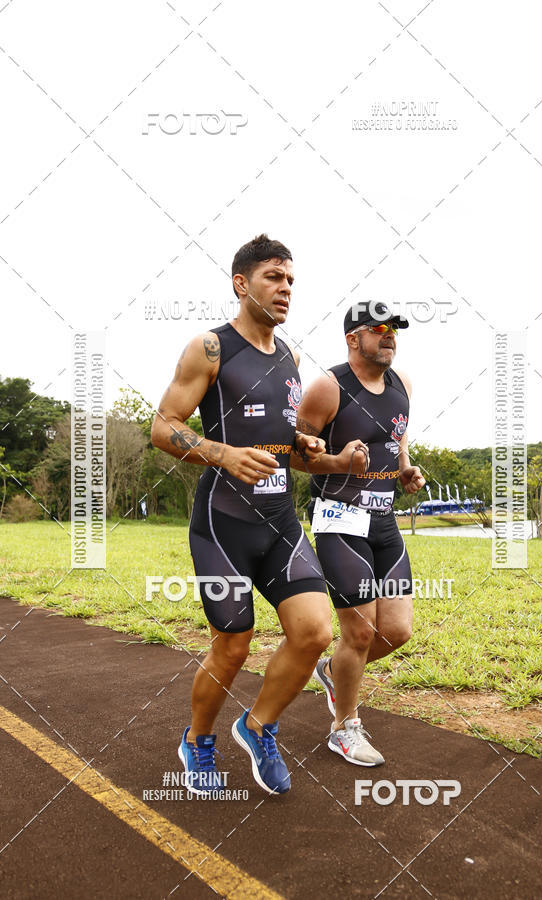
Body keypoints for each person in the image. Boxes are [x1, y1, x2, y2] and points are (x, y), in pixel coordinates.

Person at [151, 234, 366, 795]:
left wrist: (322, 453)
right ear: (241, 284)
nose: (286, 289)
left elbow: (288, 450)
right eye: (274, 277)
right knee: (234, 644)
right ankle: (198, 740)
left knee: (316, 631)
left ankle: (258, 726)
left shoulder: (292, 358)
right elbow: (163, 426)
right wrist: (220, 452)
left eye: (291, 280)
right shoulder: (210, 349)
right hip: (224, 524)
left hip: (280, 524)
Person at [297, 301, 425, 766]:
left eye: (395, 329)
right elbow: (295, 454)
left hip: (384, 521)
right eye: (379, 329)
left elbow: (397, 438)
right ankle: (343, 727)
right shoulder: (327, 388)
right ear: (353, 338)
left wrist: (406, 470)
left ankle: (333, 671)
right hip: (339, 520)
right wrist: (337, 462)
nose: (390, 335)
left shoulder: (403, 385)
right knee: (361, 632)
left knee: (396, 630)